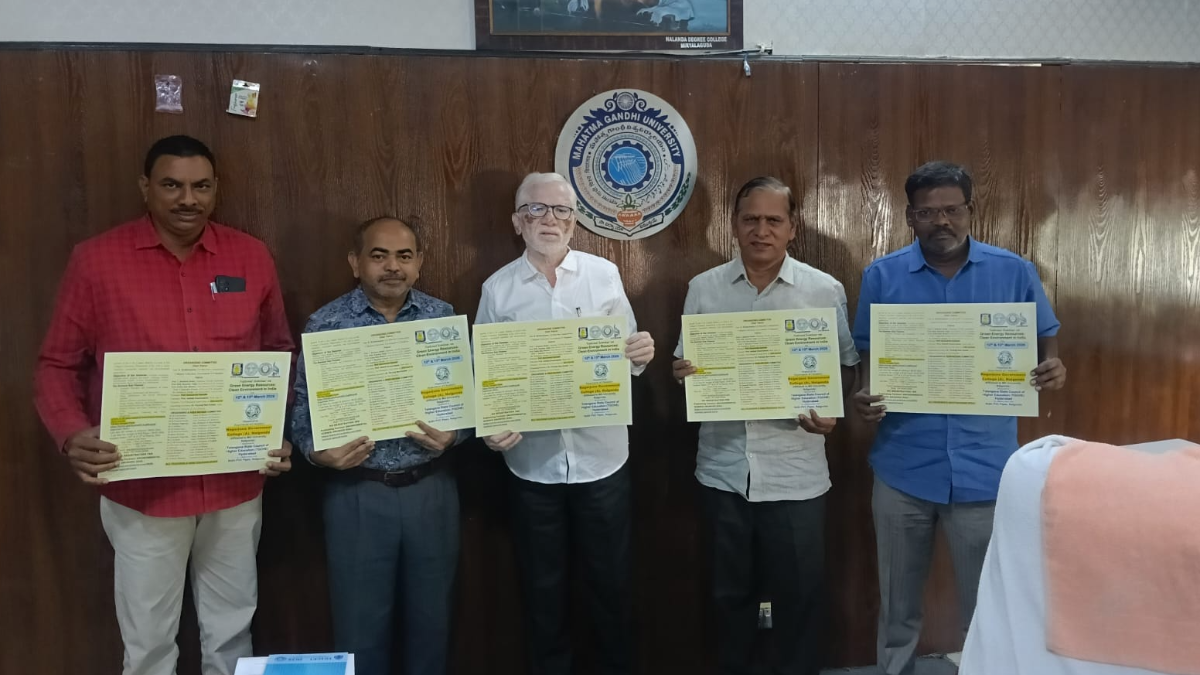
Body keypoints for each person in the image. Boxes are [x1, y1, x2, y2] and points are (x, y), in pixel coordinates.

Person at [33, 134, 294, 675]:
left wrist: (276, 429)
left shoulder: (250, 256)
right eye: (172, 185)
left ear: (216, 189)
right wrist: (72, 432)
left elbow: (277, 353)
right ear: (145, 188)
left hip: (234, 482)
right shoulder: (96, 261)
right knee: (149, 644)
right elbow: (56, 364)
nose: (188, 199)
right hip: (142, 486)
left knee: (232, 632)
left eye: (201, 186)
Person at [852, 161, 1067, 675]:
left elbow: (1048, 346)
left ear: (970, 211)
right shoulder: (882, 276)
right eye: (927, 213)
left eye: (951, 210)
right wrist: (862, 397)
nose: (941, 221)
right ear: (910, 217)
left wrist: (1053, 370)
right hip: (904, 468)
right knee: (897, 604)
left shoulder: (1013, 271)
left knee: (987, 607)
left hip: (985, 470)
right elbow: (866, 365)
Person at [672, 176, 859, 675]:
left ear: (792, 228)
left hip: (795, 474)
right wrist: (681, 373)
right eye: (750, 219)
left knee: (800, 598)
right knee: (728, 596)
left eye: (773, 220)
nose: (761, 230)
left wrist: (832, 412)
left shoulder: (823, 290)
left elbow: (844, 366)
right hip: (723, 471)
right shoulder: (704, 288)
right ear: (734, 225)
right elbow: (684, 363)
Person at [475, 172, 655, 675]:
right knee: (542, 592)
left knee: (611, 587)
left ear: (575, 221)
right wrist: (490, 428)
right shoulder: (498, 289)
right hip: (532, 465)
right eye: (535, 209)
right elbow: (485, 375)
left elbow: (628, 355)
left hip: (602, 460)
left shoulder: (604, 275)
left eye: (560, 210)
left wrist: (641, 352)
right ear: (517, 221)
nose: (549, 219)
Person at [291, 216, 466, 675]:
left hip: (431, 490)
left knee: (432, 626)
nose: (393, 267)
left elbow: (469, 402)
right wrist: (316, 453)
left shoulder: (442, 318)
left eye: (404, 256)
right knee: (359, 630)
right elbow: (301, 412)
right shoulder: (326, 324)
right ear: (355, 262)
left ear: (419, 263)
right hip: (358, 494)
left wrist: (456, 434)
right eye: (379, 255)